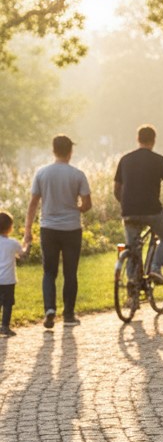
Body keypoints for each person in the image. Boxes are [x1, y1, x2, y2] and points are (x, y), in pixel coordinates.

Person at [23, 134, 92, 329]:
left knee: (49, 272)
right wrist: (78, 208)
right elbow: (87, 204)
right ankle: (69, 315)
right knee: (71, 272)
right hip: (71, 229)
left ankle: (49, 310)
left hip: (48, 229)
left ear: (53, 150)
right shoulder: (78, 174)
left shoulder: (42, 173)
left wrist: (27, 231)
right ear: (71, 152)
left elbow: (33, 204)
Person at [114, 125, 163, 284]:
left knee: (132, 247)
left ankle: (132, 284)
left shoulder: (125, 160)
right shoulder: (159, 161)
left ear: (137, 139)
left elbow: (116, 190)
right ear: (154, 140)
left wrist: (127, 204)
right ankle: (155, 268)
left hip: (128, 211)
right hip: (152, 210)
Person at [0, 211, 28, 337]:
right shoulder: (13, 243)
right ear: (10, 227)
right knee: (8, 303)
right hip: (8, 280)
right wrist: (27, 243)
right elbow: (23, 255)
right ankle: (5, 326)